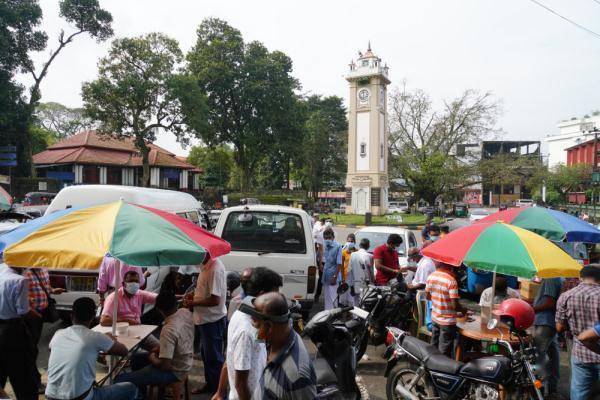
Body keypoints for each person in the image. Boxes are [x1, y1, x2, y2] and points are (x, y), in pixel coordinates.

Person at [45, 297, 137, 400]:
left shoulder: (58, 334)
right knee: (130, 388)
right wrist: (111, 338)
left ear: (71, 316)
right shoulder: (95, 337)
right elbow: (123, 351)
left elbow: (51, 348)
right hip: (81, 398)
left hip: (51, 396)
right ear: (93, 317)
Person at [213, 267, 283, 400]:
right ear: (262, 295)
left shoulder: (242, 315)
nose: (278, 300)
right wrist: (220, 391)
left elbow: (230, 358)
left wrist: (220, 391)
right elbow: (240, 383)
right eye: (275, 296)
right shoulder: (246, 330)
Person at [116, 291, 194, 397]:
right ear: (176, 304)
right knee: (136, 358)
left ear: (160, 310)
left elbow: (164, 366)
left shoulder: (168, 330)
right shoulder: (185, 312)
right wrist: (158, 349)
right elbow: (178, 341)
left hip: (174, 371)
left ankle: (137, 392)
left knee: (120, 379)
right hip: (185, 360)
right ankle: (141, 394)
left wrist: (152, 356)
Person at [241, 292, 317, 400]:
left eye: (255, 323)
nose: (252, 327)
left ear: (269, 327)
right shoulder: (275, 340)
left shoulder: (296, 377)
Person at [183, 255, 227, 395]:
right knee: (207, 355)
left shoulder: (214, 269)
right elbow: (205, 291)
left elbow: (215, 300)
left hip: (212, 320)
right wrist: (194, 296)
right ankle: (211, 385)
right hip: (204, 319)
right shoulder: (205, 266)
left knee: (214, 357)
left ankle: (218, 392)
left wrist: (193, 302)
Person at [556, 265, 600, 400]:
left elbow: (559, 328)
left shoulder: (566, 296)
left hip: (580, 352)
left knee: (580, 393)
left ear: (581, 278)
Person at [23, 267, 66, 391]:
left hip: (41, 315)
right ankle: (34, 383)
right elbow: (20, 297)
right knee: (31, 350)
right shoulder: (24, 274)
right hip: (31, 315)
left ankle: (34, 381)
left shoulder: (43, 270)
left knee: (32, 349)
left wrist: (52, 290)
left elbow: (44, 288)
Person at [0, 265, 39, 399]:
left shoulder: (1, 271)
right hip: (12, 334)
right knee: (23, 380)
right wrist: (37, 316)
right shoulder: (20, 280)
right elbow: (23, 311)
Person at [425, 261, 466, 357]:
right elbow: (455, 306)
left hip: (435, 318)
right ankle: (441, 369)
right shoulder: (451, 281)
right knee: (444, 350)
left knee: (434, 345)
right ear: (451, 267)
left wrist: (439, 301)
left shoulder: (431, 276)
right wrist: (464, 310)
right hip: (447, 322)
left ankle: (431, 367)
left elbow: (427, 297)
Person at [532, 277, 562, 397]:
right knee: (554, 358)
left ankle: (538, 391)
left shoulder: (552, 278)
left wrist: (532, 308)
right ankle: (552, 390)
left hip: (545, 322)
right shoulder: (556, 278)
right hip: (549, 323)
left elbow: (550, 303)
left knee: (537, 358)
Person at [321, 228, 343, 310]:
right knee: (327, 298)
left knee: (333, 298)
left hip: (334, 276)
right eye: (325, 238)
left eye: (329, 238)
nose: (327, 240)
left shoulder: (338, 246)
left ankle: (333, 316)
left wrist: (335, 276)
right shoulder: (325, 245)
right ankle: (327, 314)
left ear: (333, 237)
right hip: (326, 275)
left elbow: (339, 263)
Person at [348, 238, 374, 304]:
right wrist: (373, 283)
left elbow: (350, 271)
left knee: (355, 305)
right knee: (364, 305)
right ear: (368, 246)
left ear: (359, 245)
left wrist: (351, 286)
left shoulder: (353, 255)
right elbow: (371, 272)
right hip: (366, 285)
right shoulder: (370, 256)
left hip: (355, 284)